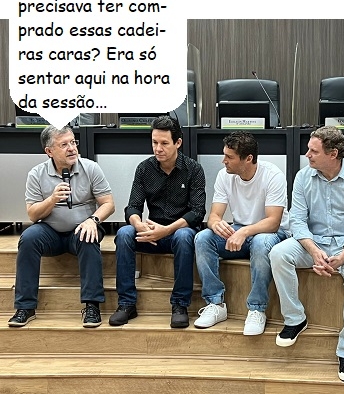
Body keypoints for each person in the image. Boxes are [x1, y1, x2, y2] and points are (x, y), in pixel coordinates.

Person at [269, 126, 344, 382]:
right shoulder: (303, 177)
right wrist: (314, 251)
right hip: (313, 243)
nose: (307, 155)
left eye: (313, 151)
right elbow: (297, 220)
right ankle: (295, 319)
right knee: (278, 253)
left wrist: (342, 257)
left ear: (333, 154)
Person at [8, 125, 115, 328]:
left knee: (88, 235)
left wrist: (92, 220)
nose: (72, 148)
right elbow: (33, 214)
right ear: (49, 151)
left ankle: (92, 306)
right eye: (64, 145)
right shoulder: (36, 174)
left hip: (82, 228)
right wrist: (52, 199)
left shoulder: (91, 168)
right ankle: (25, 307)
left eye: (73, 142)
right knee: (28, 238)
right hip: (50, 233)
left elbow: (108, 204)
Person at [109, 116, 206, 328]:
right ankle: (126, 303)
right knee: (124, 233)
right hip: (151, 233)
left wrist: (166, 230)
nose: (158, 148)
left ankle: (180, 305)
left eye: (164, 143)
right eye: (154, 142)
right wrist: (138, 224)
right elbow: (133, 207)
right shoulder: (144, 168)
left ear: (178, 143)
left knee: (184, 236)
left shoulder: (193, 169)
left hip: (177, 231)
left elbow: (197, 213)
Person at [194, 131, 289, 335]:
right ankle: (215, 304)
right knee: (203, 238)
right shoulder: (224, 176)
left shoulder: (273, 175)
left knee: (261, 243)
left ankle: (257, 309)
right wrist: (216, 224)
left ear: (248, 158)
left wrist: (244, 231)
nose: (224, 161)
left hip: (271, 234)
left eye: (229, 157)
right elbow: (214, 216)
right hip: (240, 231)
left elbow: (273, 222)